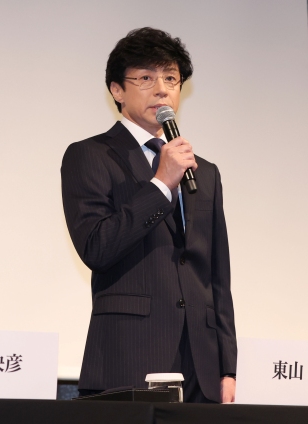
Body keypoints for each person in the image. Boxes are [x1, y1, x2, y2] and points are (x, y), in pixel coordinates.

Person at [61, 27, 236, 403]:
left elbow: (216, 276)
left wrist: (227, 368)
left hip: (202, 365)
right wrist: (160, 184)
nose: (161, 89)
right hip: (129, 356)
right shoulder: (89, 155)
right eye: (145, 78)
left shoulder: (204, 171)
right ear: (117, 90)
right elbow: (97, 247)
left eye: (171, 78)